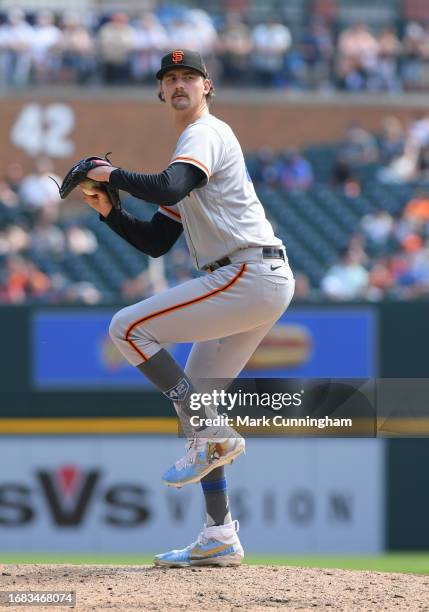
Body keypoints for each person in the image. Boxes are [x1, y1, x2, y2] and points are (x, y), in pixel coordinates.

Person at [80, 49, 295, 567]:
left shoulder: (205, 133)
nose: (179, 83)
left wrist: (112, 173)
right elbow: (158, 240)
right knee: (200, 401)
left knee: (127, 327)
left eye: (189, 76)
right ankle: (220, 534)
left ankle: (212, 433)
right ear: (160, 90)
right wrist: (111, 211)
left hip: (246, 270)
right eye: (170, 77)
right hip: (253, 276)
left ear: (208, 86)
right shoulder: (189, 149)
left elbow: (172, 184)